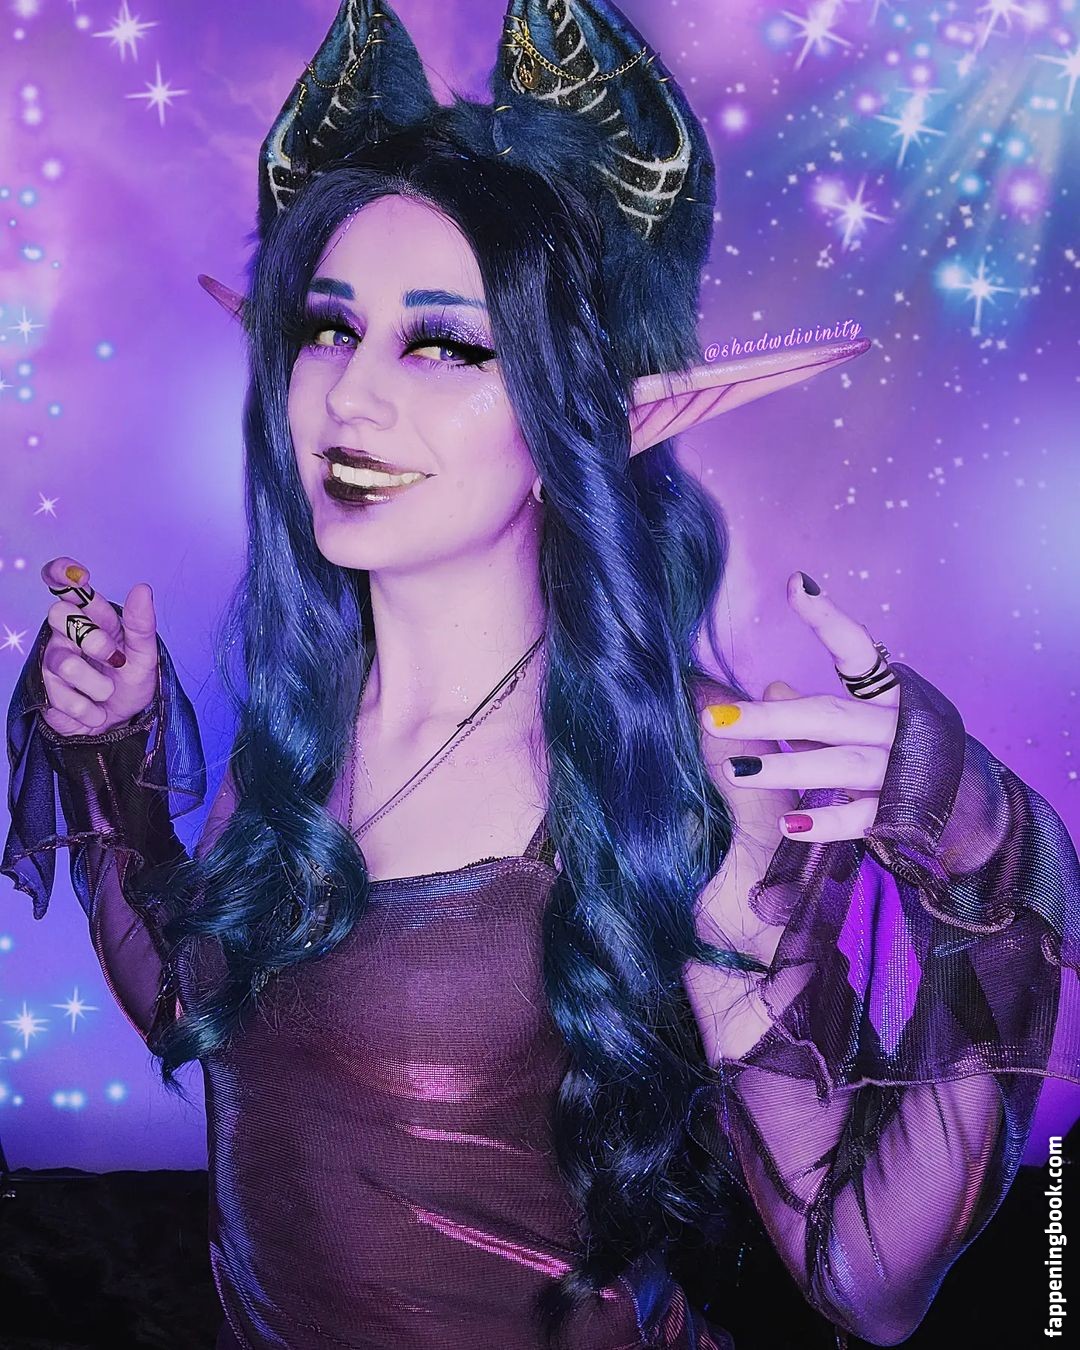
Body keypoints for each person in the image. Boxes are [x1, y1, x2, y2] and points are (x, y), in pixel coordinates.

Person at [4, 3, 1079, 1348]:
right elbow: (198, 1010)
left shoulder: (678, 778)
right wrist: (113, 758)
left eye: (445, 344)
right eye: (329, 329)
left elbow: (866, 1271)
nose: (350, 399)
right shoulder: (298, 725)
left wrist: (975, 848)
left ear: (592, 409)